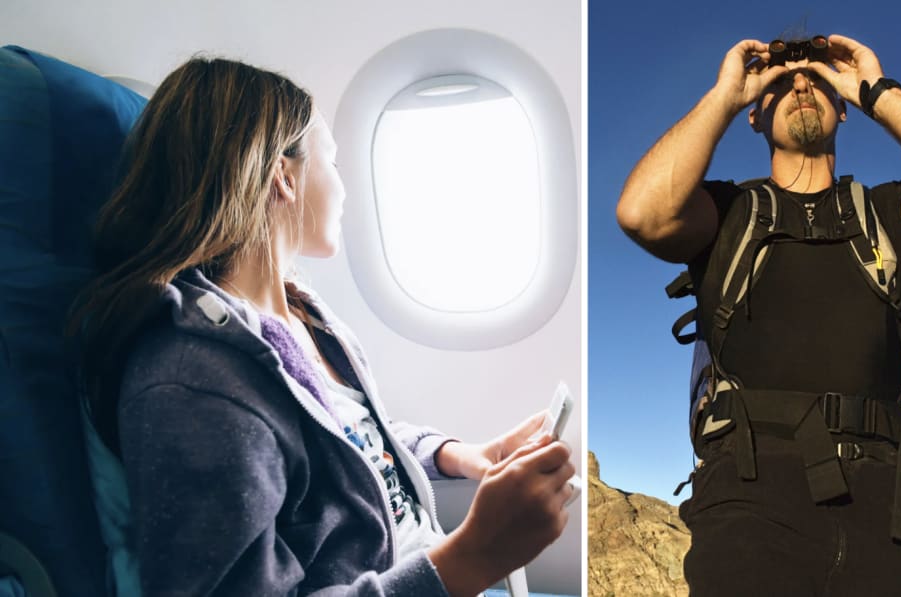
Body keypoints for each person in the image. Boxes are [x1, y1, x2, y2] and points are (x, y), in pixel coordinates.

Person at [68, 56, 575, 596]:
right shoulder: (193, 383)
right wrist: (472, 557)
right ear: (283, 178)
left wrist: (459, 455)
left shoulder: (299, 312)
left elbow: (345, 439)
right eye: (331, 161)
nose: (345, 187)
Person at [616, 34, 901, 595]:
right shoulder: (728, 213)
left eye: (818, 82)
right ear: (756, 115)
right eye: (780, 83)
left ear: (844, 110)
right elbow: (642, 213)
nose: (801, 85)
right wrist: (726, 95)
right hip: (750, 504)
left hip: (889, 510)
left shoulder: (885, 212)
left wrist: (874, 89)